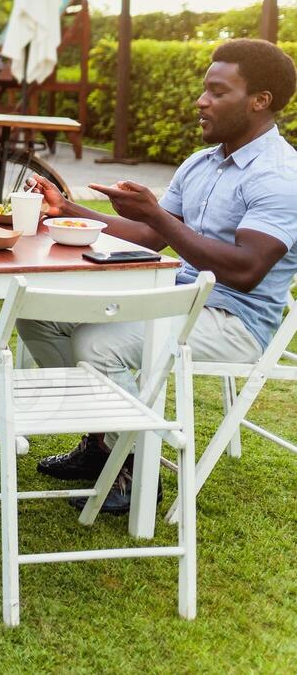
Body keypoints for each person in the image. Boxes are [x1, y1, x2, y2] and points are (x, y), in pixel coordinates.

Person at [21, 38, 297, 513]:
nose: (200, 100)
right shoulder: (202, 162)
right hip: (180, 297)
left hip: (235, 320)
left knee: (98, 344)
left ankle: (137, 470)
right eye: (203, 89)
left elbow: (246, 270)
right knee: (40, 315)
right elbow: (148, 238)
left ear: (260, 101)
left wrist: (161, 218)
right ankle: (105, 444)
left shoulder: (279, 175)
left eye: (216, 91)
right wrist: (66, 208)